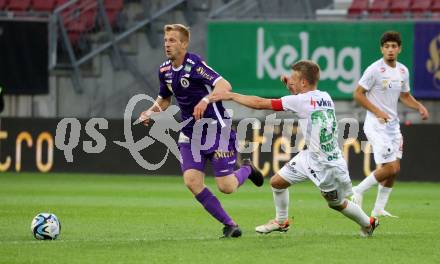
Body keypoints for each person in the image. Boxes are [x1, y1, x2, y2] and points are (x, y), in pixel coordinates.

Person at [210, 60, 379, 237]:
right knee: (277, 183)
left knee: (336, 203)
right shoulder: (325, 96)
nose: (290, 81)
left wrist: (231, 96)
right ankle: (281, 221)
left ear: (304, 82)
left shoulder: (301, 101)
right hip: (311, 156)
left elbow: (260, 103)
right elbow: (301, 100)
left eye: (294, 78)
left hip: (325, 165)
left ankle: (369, 223)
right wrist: (291, 86)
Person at [139, 24, 264, 238]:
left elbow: (225, 85)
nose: (167, 44)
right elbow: (166, 98)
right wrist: (151, 111)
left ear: (184, 44)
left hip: (217, 130)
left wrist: (206, 100)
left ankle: (247, 169)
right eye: (166, 40)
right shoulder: (164, 71)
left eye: (172, 40)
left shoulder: (195, 65)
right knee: (192, 181)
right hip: (190, 132)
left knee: (226, 187)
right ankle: (230, 224)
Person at [352, 31, 429, 218]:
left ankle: (378, 210)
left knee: (395, 171)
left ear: (399, 49)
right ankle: (358, 190)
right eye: (387, 46)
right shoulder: (374, 70)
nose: (390, 50)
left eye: (394, 46)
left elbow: (404, 96)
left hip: (393, 126)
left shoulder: (403, 71)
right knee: (390, 168)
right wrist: (377, 111)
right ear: (382, 49)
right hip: (376, 124)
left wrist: (419, 106)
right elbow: (358, 94)